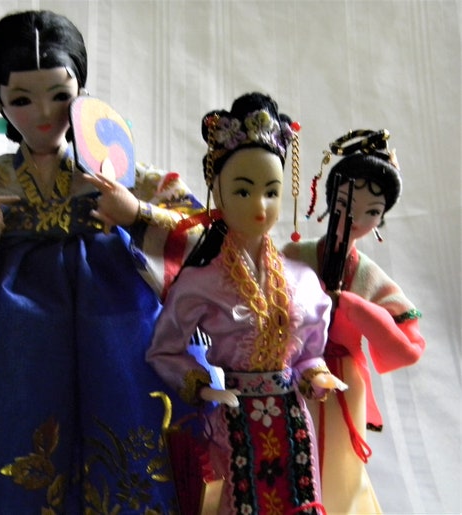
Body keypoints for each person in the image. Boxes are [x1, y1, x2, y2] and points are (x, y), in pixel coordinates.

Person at [0, 10, 205, 513]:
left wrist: (136, 214)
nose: (44, 113)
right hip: (15, 345)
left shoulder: (117, 174)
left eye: (60, 96)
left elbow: (200, 236)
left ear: (82, 93)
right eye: (22, 99)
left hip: (115, 334)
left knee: (125, 433)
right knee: (18, 437)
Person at [146, 92, 347, 514]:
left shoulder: (302, 279)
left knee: (298, 498)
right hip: (232, 420)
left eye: (272, 192)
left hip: (290, 417)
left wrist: (317, 374)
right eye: (243, 191)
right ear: (217, 192)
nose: (259, 205)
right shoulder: (200, 283)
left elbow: (309, 351)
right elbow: (164, 350)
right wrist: (203, 386)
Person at [282, 129, 426, 514]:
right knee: (287, 447)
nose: (355, 219)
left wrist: (354, 307)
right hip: (289, 367)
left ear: (381, 217)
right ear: (330, 200)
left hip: (343, 377)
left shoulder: (370, 278)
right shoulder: (295, 254)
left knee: (340, 464)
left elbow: (410, 345)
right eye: (345, 205)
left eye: (371, 212)